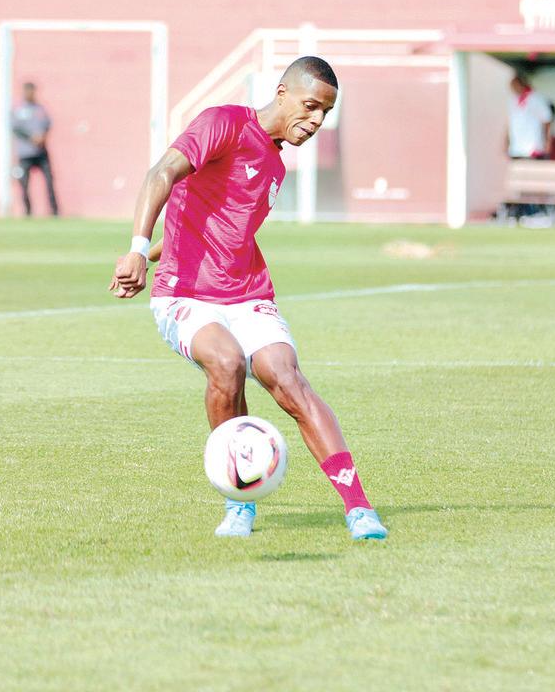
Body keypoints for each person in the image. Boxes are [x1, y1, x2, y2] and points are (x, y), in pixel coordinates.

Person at [109, 56, 387, 541]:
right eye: (311, 106)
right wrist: (137, 249)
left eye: (325, 113)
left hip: (248, 291)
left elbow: (219, 225)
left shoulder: (276, 163)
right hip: (185, 294)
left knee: (285, 378)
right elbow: (162, 173)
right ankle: (238, 500)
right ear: (282, 93)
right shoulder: (225, 124)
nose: (317, 121)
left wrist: (152, 253)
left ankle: (359, 508)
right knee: (228, 362)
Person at [507, 74, 555, 225]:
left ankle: (535, 212)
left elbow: (547, 120)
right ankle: (521, 212)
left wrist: (547, 141)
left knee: (532, 182)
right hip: (517, 148)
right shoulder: (514, 101)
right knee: (519, 183)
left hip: (532, 147)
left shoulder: (536, 99)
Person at [11, 81, 59, 217]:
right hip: (25, 153)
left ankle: (55, 212)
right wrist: (30, 137)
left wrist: (42, 136)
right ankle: (28, 212)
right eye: (28, 91)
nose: (30, 94)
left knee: (49, 182)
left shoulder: (40, 109)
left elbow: (47, 125)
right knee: (24, 184)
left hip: (41, 152)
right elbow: (15, 128)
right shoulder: (18, 110)